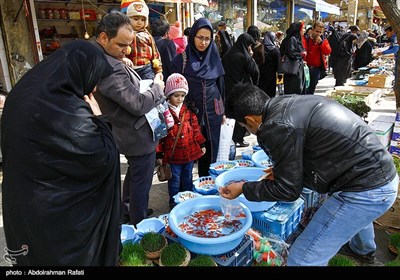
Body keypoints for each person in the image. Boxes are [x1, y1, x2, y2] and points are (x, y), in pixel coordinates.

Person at [220, 83, 398, 266]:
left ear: (249, 120)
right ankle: (362, 251)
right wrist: (281, 170)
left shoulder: (276, 126)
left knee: (302, 258)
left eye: (243, 125)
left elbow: (288, 191)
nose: (247, 129)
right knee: (353, 214)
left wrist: (243, 188)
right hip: (379, 171)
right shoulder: (282, 104)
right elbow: (306, 148)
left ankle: (358, 251)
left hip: (367, 189)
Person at [1, 40, 121, 266]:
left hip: (21, 208)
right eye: (94, 79)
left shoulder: (22, 92)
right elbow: (104, 160)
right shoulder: (70, 111)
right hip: (60, 222)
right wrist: (101, 120)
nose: (94, 88)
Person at [93, 11, 165, 226]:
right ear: (104, 38)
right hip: (136, 135)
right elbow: (138, 104)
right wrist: (158, 88)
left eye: (129, 44)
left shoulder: (107, 59)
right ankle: (140, 224)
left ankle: (129, 210)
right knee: (141, 184)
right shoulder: (110, 69)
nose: (127, 50)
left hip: (128, 132)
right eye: (121, 45)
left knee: (135, 177)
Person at [168, 18, 225, 177]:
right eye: (200, 37)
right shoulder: (181, 60)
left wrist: (223, 111)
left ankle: (208, 181)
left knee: (211, 147)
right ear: (192, 36)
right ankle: (183, 187)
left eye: (207, 38)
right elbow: (172, 86)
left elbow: (221, 85)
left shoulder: (214, 57)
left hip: (213, 111)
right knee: (187, 150)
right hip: (189, 113)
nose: (204, 42)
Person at [156, 73, 206, 210]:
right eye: (176, 95)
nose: (179, 99)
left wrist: (201, 144)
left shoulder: (188, 112)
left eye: (182, 95)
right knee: (174, 180)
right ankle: (174, 203)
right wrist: (159, 154)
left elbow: (196, 129)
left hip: (189, 153)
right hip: (173, 156)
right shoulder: (163, 113)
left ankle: (188, 200)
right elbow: (159, 135)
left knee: (188, 178)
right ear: (168, 95)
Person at [222, 33, 259, 148]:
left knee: (231, 114)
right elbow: (255, 71)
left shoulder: (228, 54)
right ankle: (238, 138)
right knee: (241, 114)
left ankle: (231, 138)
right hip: (240, 91)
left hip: (228, 88)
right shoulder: (243, 56)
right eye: (249, 46)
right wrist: (251, 57)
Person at [123, 0, 162, 80]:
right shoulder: (124, 34)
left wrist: (159, 71)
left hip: (146, 68)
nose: (139, 22)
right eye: (136, 19)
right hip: (129, 68)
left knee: (148, 88)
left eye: (143, 20)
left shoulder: (147, 36)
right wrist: (123, 58)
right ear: (128, 19)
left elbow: (155, 54)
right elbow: (118, 49)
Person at [303, 21, 331, 94]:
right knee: (304, 90)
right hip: (305, 67)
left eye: (320, 32)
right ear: (312, 30)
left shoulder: (323, 40)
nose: (318, 34)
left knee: (311, 90)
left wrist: (321, 43)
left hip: (316, 69)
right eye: (317, 31)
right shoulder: (306, 38)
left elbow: (327, 51)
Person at [279, 21, 307, 95]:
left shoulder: (297, 39)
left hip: (297, 69)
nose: (304, 30)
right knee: (294, 90)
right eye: (303, 28)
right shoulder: (292, 39)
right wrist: (301, 54)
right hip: (293, 71)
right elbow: (291, 53)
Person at [151, 18, 177, 82]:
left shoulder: (147, 43)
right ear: (166, 33)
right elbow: (172, 66)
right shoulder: (168, 44)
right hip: (165, 81)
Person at [258, 31, 281, 98]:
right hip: (271, 75)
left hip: (261, 74)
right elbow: (278, 65)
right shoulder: (275, 50)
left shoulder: (260, 48)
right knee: (270, 94)